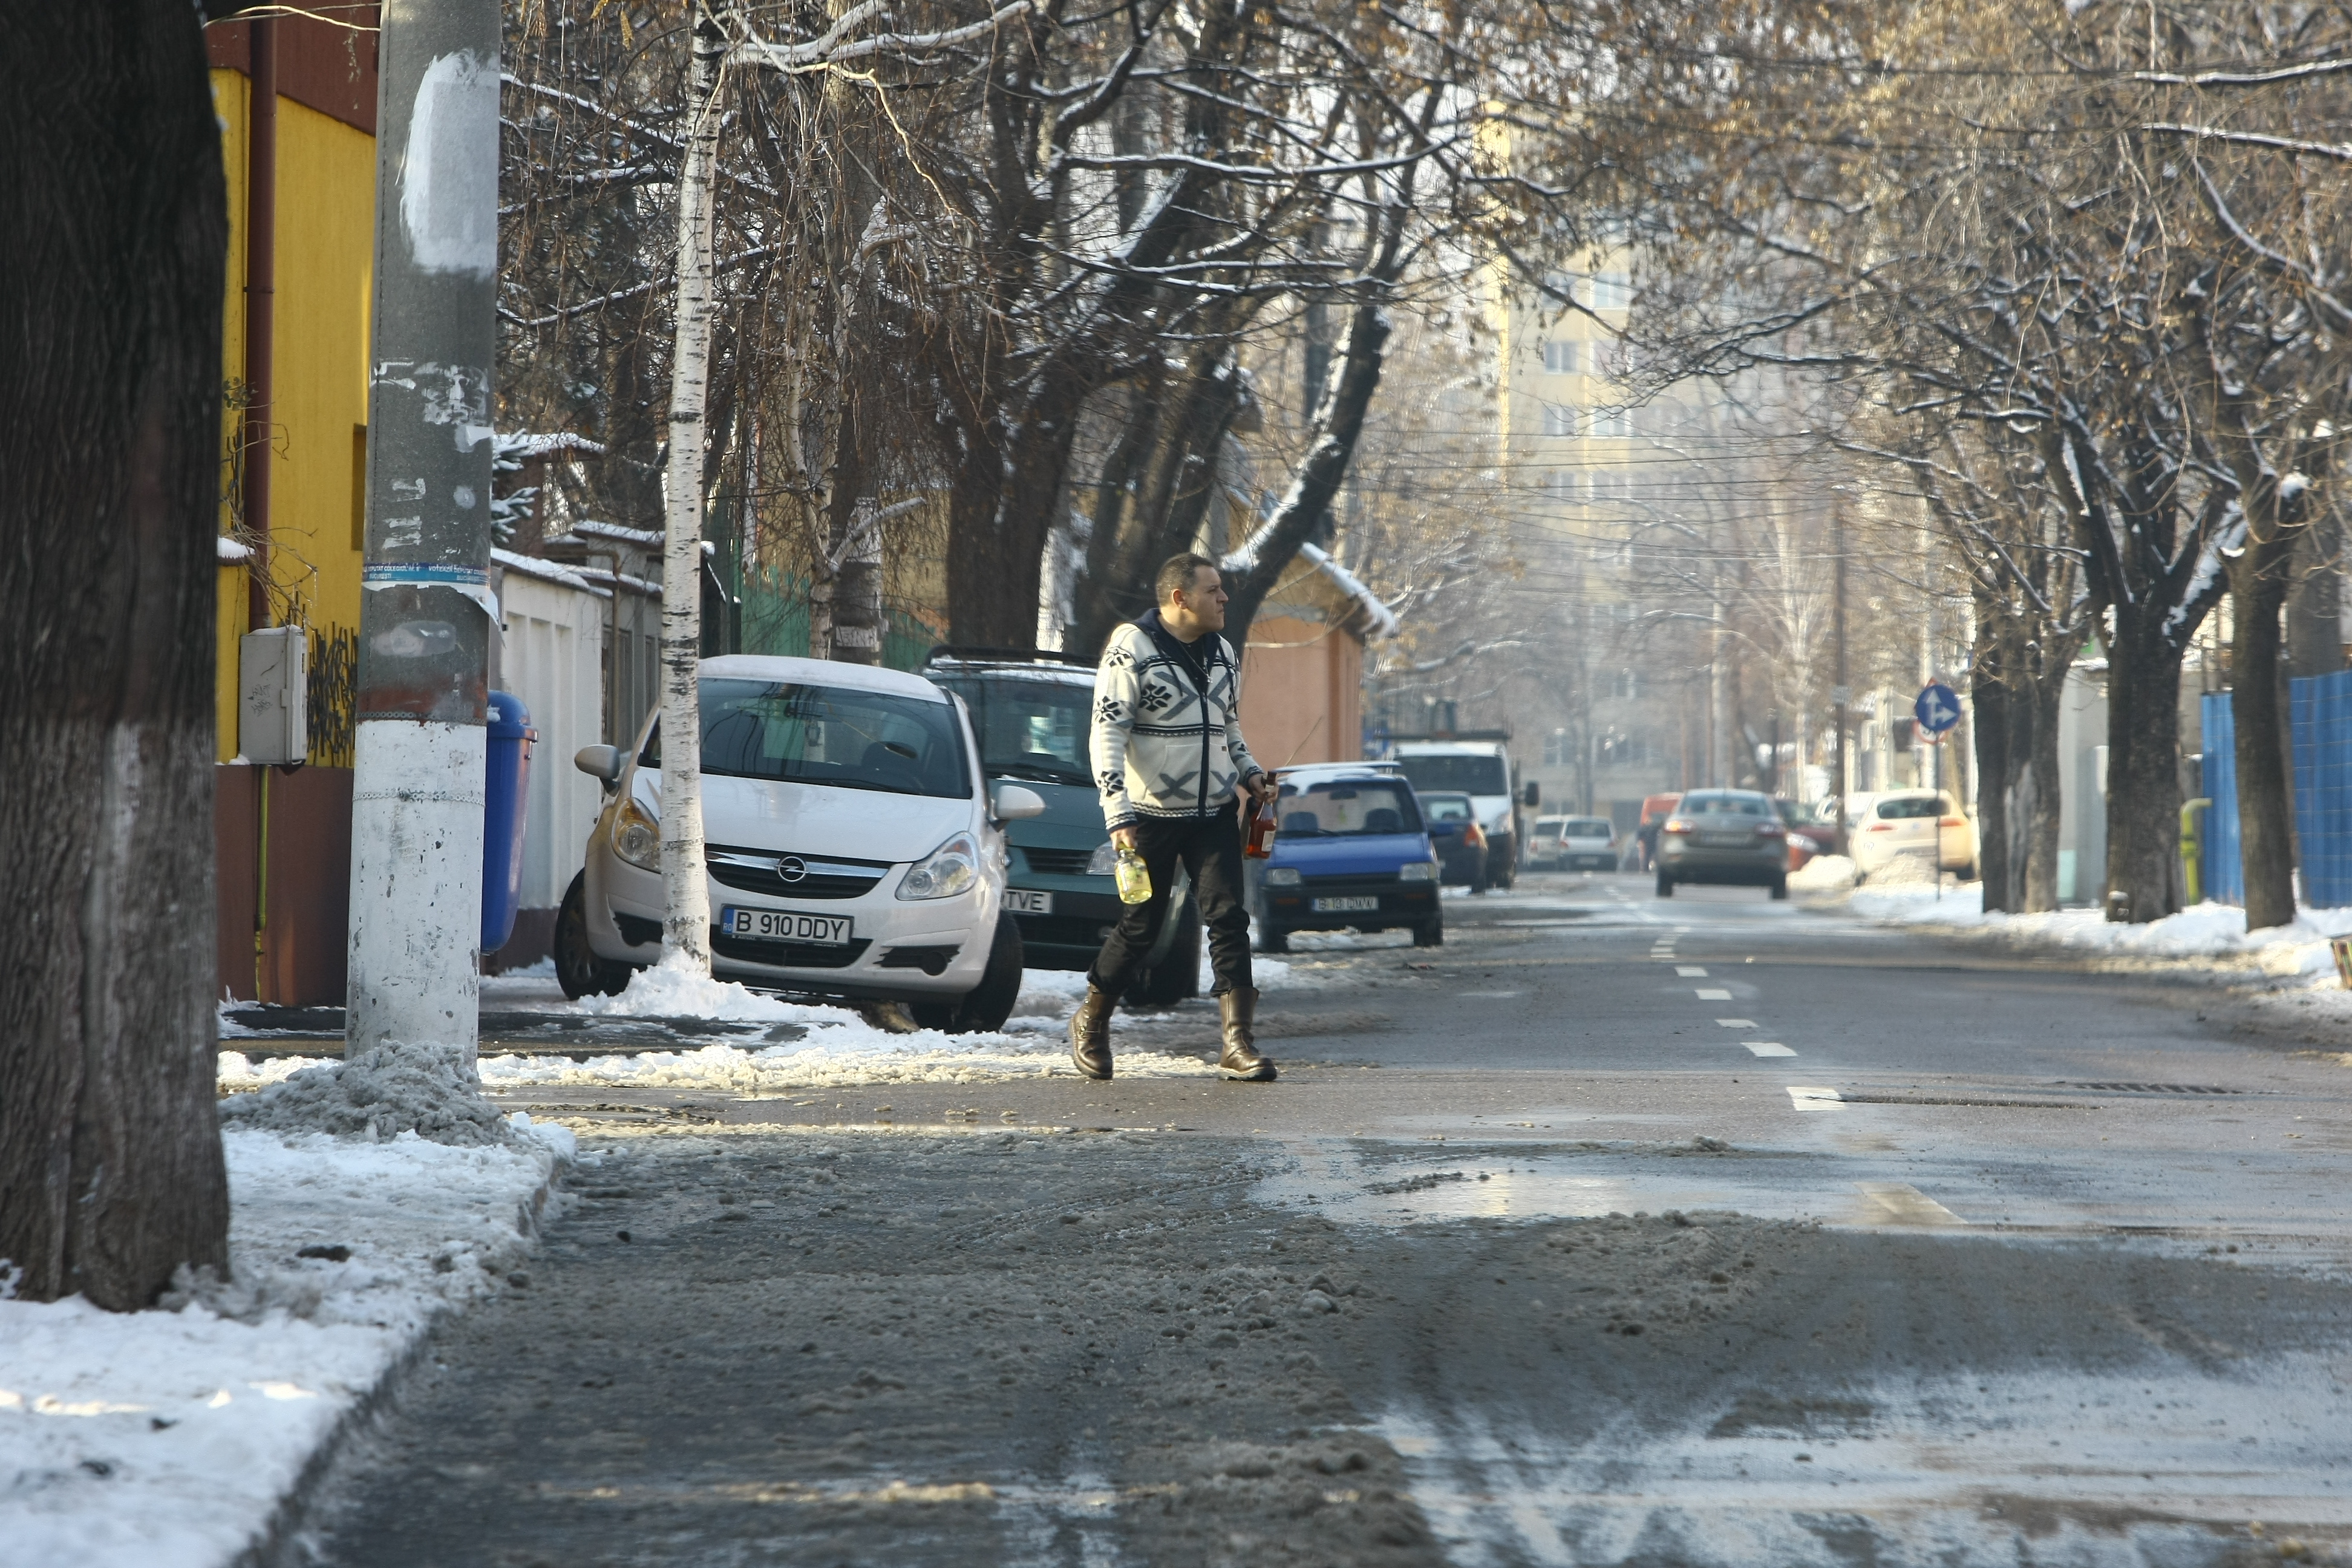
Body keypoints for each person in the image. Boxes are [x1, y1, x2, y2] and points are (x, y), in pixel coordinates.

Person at [1067, 553, 1278, 1083]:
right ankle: (1092, 1019)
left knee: (1229, 919)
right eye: (1213, 590)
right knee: (1141, 928)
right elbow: (1107, 734)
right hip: (1148, 816)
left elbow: (1228, 725)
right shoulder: (1131, 648)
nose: (1224, 598)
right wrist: (1117, 813)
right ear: (1180, 598)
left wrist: (1251, 774)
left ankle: (1237, 1043)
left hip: (1214, 813)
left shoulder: (1223, 652)